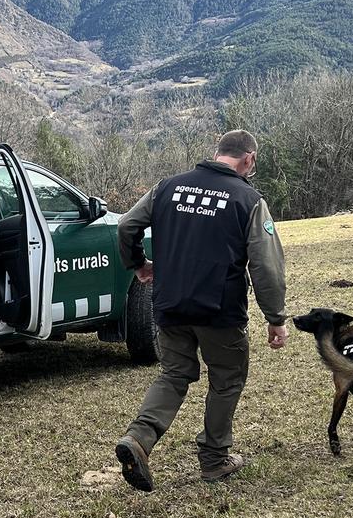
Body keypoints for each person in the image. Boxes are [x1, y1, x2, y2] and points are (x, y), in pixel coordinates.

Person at [113, 129, 288, 491]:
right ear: (249, 159)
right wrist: (275, 317)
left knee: (174, 373)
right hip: (219, 311)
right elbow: (266, 266)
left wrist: (138, 264)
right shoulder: (249, 199)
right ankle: (214, 459)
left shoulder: (168, 187)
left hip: (169, 305)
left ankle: (140, 439)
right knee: (226, 379)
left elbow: (126, 224)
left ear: (217, 152)